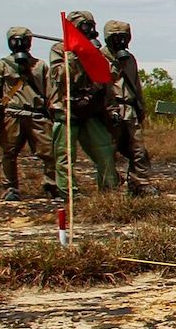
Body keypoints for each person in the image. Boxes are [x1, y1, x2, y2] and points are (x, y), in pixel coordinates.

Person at [48, 10, 121, 193]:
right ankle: (68, 192)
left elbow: (108, 78)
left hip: (91, 109)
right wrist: (75, 53)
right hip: (66, 109)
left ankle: (109, 190)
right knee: (65, 155)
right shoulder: (59, 49)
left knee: (105, 150)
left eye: (91, 25)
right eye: (85, 26)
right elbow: (59, 76)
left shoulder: (95, 50)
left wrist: (93, 53)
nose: (89, 29)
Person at [0, 26, 61, 201]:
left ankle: (52, 186)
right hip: (12, 114)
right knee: (9, 153)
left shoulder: (40, 66)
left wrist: (55, 112)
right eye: (15, 41)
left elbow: (51, 92)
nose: (20, 44)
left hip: (37, 116)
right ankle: (10, 189)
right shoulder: (1, 65)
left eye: (23, 40)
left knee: (50, 153)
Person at [103, 20, 156, 196]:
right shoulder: (100, 58)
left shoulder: (130, 59)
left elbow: (136, 85)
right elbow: (101, 86)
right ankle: (108, 187)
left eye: (124, 37)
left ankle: (139, 184)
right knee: (109, 151)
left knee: (138, 151)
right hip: (110, 110)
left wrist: (141, 108)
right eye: (116, 38)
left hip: (130, 109)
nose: (120, 41)